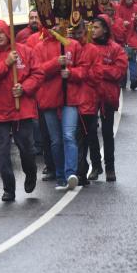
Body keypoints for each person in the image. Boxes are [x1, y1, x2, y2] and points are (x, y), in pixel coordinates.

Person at [0, 20, 43, 201]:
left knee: (26, 148)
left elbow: (38, 74)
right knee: (2, 151)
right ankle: (8, 188)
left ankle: (31, 172)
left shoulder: (25, 51)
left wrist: (24, 88)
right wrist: (6, 63)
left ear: (7, 33)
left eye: (0, 33)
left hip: (22, 109)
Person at [33, 26, 88, 190]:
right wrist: (55, 63)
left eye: (59, 23)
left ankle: (71, 173)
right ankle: (60, 176)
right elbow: (38, 71)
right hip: (49, 98)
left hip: (69, 98)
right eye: (51, 24)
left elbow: (84, 70)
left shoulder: (74, 45)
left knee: (69, 135)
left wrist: (71, 73)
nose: (55, 27)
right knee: (56, 140)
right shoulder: (39, 47)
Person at [88, 16, 128, 181]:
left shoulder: (116, 49)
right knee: (90, 132)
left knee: (107, 132)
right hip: (90, 95)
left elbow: (118, 72)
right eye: (92, 27)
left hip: (108, 97)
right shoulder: (88, 47)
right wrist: (104, 70)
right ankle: (96, 166)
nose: (93, 30)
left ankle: (110, 168)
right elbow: (84, 70)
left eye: (96, 27)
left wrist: (98, 70)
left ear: (105, 29)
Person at [70, 22, 101, 187]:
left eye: (80, 33)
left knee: (90, 136)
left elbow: (97, 75)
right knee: (77, 137)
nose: (77, 37)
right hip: (72, 99)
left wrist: (80, 73)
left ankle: (95, 165)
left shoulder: (93, 50)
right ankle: (81, 171)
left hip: (88, 98)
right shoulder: (69, 48)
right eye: (74, 34)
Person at [115, 0, 137, 90]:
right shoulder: (118, 8)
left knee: (132, 59)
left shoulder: (136, 8)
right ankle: (122, 81)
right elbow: (116, 21)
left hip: (132, 37)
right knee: (122, 61)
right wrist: (122, 23)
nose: (130, 1)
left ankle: (134, 80)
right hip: (121, 37)